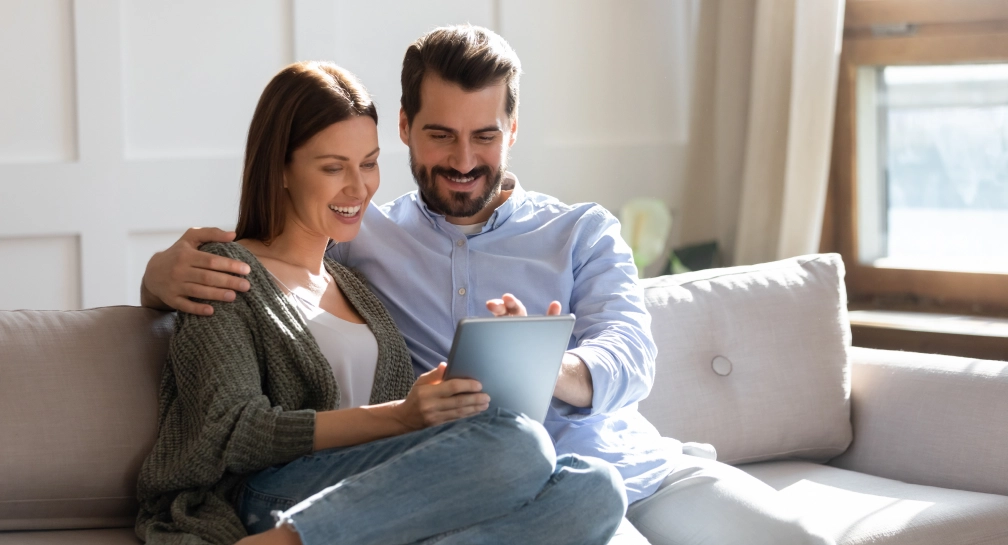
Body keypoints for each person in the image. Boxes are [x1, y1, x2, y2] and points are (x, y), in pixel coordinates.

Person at [141, 26, 834, 545]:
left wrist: (550, 365)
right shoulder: (363, 235)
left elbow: (631, 352)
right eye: (440, 135)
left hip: (617, 465)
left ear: (513, 128)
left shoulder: (581, 230)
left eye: (485, 135)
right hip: (458, 472)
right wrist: (156, 277)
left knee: (614, 493)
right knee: (522, 446)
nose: (464, 160)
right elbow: (255, 291)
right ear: (407, 128)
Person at [135, 60, 626, 545]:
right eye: (333, 168)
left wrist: (447, 399)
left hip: (383, 492)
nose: (359, 188)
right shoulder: (226, 272)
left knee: (596, 490)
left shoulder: (353, 280)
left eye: (369, 164)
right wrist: (403, 415)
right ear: (279, 169)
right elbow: (232, 433)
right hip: (275, 491)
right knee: (519, 445)